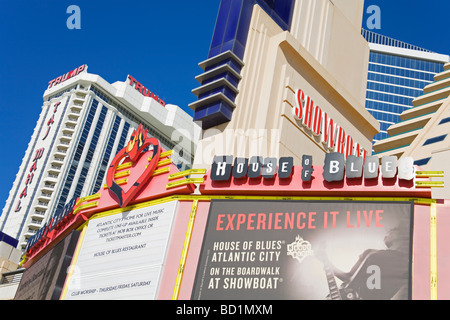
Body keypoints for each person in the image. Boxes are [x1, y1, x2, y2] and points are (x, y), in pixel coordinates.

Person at [316, 227, 411, 300]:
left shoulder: (408, 264)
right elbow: (349, 277)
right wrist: (326, 261)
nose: (386, 235)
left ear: (402, 234)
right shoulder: (370, 252)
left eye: (391, 231)